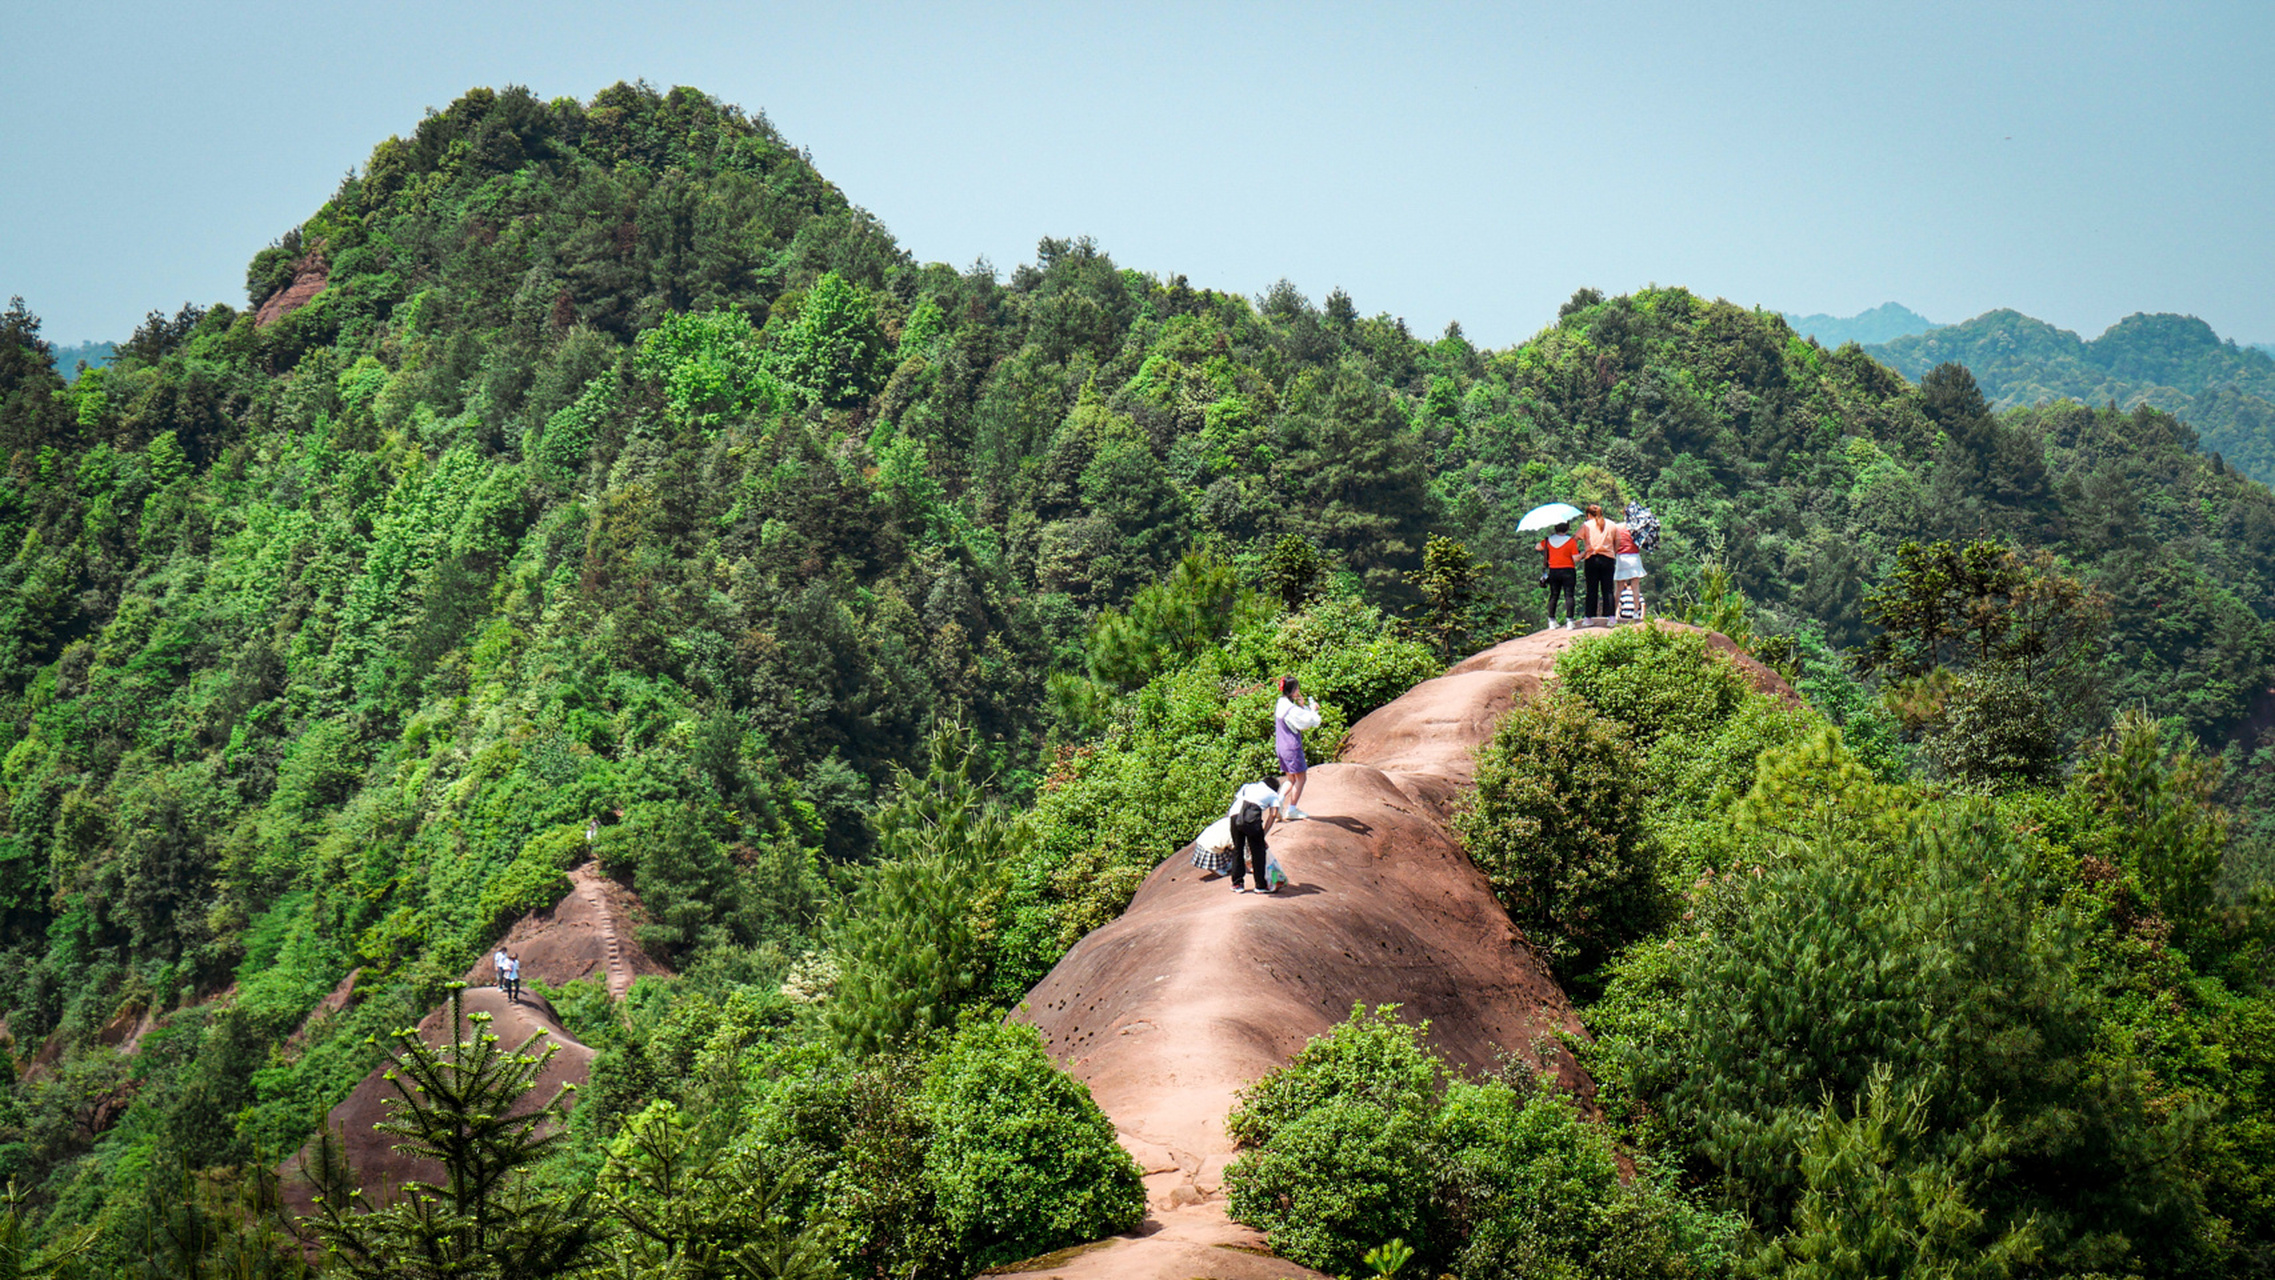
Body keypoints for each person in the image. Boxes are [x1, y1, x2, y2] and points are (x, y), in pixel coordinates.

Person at [1225, 773, 1285, 894]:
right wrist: (1264, 833)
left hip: (1235, 816)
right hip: (1251, 820)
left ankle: (1237, 884)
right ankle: (1260, 885)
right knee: (1258, 851)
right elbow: (1273, 814)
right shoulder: (1273, 794)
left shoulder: (1247, 786)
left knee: (1238, 849)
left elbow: (1239, 801)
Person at [1274, 677, 1321, 820]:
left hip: (1281, 746)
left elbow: (1297, 718)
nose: (1299, 690)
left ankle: (1278, 802)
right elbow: (1308, 722)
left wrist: (1302, 706)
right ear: (1293, 690)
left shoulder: (1281, 703)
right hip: (1291, 747)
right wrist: (1313, 710)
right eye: (1297, 688)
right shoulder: (1291, 709)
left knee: (1290, 778)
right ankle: (1292, 809)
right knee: (1301, 778)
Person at [1579, 503, 1619, 623]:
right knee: (1608, 589)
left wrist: (1581, 553)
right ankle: (1611, 617)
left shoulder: (1586, 525)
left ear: (1589, 515)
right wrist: (1613, 552)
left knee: (1591, 589)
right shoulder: (1611, 524)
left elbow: (1575, 538)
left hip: (1592, 558)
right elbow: (1618, 541)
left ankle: (1588, 618)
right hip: (1608, 559)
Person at [1538, 520, 1579, 629]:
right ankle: (1570, 621)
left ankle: (1551, 621)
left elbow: (1537, 547)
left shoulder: (1548, 540)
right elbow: (1576, 558)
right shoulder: (1571, 541)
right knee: (1569, 595)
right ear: (1567, 528)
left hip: (1554, 571)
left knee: (1554, 595)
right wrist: (1584, 553)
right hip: (1568, 570)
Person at [1613, 519, 1648, 622]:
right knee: (1635, 587)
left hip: (1621, 557)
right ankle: (1636, 612)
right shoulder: (1637, 527)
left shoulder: (1616, 527)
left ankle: (1613, 613)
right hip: (1634, 556)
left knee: (1619, 588)